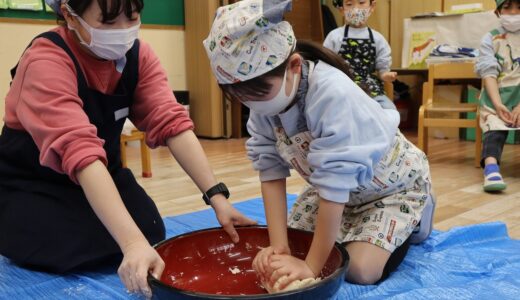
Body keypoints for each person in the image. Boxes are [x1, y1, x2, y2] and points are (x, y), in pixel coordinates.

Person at [0, 0, 255, 297]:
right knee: (63, 245)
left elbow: (171, 122)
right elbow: (80, 153)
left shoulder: (137, 55)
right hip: (32, 182)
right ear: (69, 16)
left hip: (103, 174)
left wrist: (218, 198)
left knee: (151, 229)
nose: (123, 31)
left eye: (132, 17)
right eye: (108, 23)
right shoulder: (45, 60)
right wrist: (131, 245)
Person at [203, 0, 434, 289]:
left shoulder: (332, 93)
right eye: (240, 97)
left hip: (390, 190)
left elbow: (334, 185)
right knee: (297, 248)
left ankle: (418, 214)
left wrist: (309, 267)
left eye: (259, 93)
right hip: (336, 192)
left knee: (359, 270)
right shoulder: (264, 106)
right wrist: (280, 248)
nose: (252, 106)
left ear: (294, 66)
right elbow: (271, 171)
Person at [475, 0, 520, 192]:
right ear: (497, 12)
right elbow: (489, 74)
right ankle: (491, 168)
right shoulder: (490, 39)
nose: (513, 13)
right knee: (493, 125)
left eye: (519, 8)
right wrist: (498, 104)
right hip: (497, 97)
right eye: (507, 8)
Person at [324, 0, 396, 110]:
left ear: (372, 6)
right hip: (342, 88)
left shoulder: (378, 39)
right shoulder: (334, 37)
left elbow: (382, 69)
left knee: (389, 110)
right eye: (349, 4)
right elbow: (325, 65)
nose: (356, 9)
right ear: (341, 9)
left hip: (371, 91)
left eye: (361, 2)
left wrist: (385, 75)